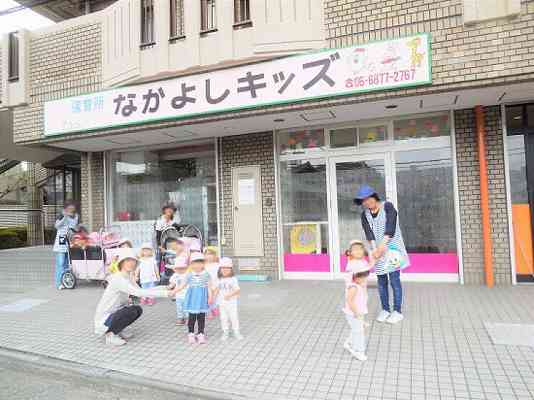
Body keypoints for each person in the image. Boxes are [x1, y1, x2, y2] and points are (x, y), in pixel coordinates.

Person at [354, 185, 409, 325]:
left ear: (374, 196)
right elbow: (369, 233)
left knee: (394, 280)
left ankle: (397, 311)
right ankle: (385, 309)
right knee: (381, 281)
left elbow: (391, 227)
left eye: (368, 199)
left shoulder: (388, 207)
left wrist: (382, 246)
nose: (367, 202)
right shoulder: (364, 215)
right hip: (377, 251)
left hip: (392, 249)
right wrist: (375, 250)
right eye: (363, 201)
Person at [94, 249, 172, 346]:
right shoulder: (118, 278)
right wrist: (166, 294)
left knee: (136, 310)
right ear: (121, 262)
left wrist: (165, 288)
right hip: (104, 319)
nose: (131, 263)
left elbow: (142, 290)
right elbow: (139, 293)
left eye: (133, 260)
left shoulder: (128, 276)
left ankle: (117, 330)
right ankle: (110, 335)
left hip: (114, 312)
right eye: (128, 260)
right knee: (129, 311)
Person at [173, 252, 212, 344]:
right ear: (191, 264)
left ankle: (201, 333)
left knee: (201, 317)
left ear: (203, 263)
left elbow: (209, 286)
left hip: (202, 300)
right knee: (192, 317)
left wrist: (210, 297)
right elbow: (182, 285)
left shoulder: (206, 274)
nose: (197, 265)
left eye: (199, 263)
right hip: (192, 299)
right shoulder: (189, 274)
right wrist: (174, 291)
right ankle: (191, 333)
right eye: (194, 263)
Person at [342, 258, 371, 361]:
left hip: (358, 312)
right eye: (363, 277)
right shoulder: (353, 287)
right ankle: (358, 351)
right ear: (355, 276)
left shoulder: (359, 285)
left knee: (359, 329)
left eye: (366, 276)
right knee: (359, 332)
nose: (365, 279)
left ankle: (349, 343)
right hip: (354, 313)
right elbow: (350, 301)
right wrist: (357, 314)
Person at [215, 257, 243, 341]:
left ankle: (236, 332)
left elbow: (237, 290)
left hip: (232, 303)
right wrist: (213, 297)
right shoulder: (219, 279)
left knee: (233, 317)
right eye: (223, 268)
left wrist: (229, 295)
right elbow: (217, 289)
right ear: (220, 269)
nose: (225, 270)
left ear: (231, 269)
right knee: (223, 318)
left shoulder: (233, 279)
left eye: (227, 268)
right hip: (221, 303)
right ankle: (225, 332)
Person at [53, 201, 79, 290]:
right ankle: (59, 283)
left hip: (69, 241)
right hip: (61, 241)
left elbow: (74, 228)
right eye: (70, 208)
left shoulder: (75, 216)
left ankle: (66, 281)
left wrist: (77, 227)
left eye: (73, 208)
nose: (71, 209)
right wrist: (65, 217)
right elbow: (57, 226)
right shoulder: (61, 215)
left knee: (67, 263)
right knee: (60, 263)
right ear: (66, 208)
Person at [167, 255, 189, 325]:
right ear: (175, 269)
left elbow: (184, 285)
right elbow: (173, 283)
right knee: (179, 307)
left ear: (186, 268)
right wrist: (170, 286)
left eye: (182, 268)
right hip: (178, 295)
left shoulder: (188, 275)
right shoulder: (175, 275)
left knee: (187, 307)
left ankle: (188, 318)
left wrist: (173, 291)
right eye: (178, 268)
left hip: (187, 295)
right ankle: (180, 318)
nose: (180, 270)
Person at [204, 246, 220, 320]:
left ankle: (214, 308)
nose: (209, 256)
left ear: (215, 255)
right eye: (207, 254)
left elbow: (220, 276)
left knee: (215, 298)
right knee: (207, 298)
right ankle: (208, 312)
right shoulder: (203, 265)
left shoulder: (218, 265)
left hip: (216, 284)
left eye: (211, 254)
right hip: (206, 284)